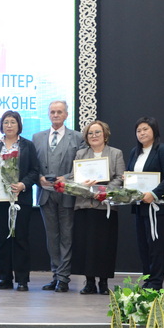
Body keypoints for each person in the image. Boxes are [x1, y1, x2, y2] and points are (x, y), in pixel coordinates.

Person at [32, 100, 84, 292]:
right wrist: (39, 178)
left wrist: (67, 178)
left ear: (66, 115)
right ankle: (56, 275)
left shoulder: (77, 137)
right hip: (45, 194)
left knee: (66, 237)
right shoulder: (37, 137)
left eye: (59, 112)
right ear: (48, 114)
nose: (55, 115)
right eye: (52, 112)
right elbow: (32, 165)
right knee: (52, 237)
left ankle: (63, 278)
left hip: (67, 194)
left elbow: (82, 165)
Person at [68, 120, 125, 294]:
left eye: (97, 132)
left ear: (105, 135)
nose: (94, 136)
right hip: (84, 205)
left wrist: (103, 191)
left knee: (105, 245)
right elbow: (73, 178)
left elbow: (120, 178)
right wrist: (84, 186)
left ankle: (104, 283)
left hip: (105, 207)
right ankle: (90, 282)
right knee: (86, 246)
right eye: (90, 133)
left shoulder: (115, 153)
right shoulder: (80, 154)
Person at [0, 111, 39, 291]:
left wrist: (23, 184)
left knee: (20, 238)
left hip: (21, 199)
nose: (9, 125)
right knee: (3, 239)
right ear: (1, 125)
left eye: (12, 122)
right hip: (0, 200)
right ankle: (5, 279)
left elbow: (35, 170)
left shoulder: (27, 145)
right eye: (6, 122)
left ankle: (22, 279)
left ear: (19, 125)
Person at [126, 116, 164, 290]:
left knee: (155, 245)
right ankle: (147, 279)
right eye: (138, 130)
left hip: (156, 207)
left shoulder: (163, 150)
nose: (142, 133)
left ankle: (156, 282)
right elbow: (131, 175)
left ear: (154, 131)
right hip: (139, 205)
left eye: (145, 129)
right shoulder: (134, 152)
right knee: (143, 245)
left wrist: (154, 194)